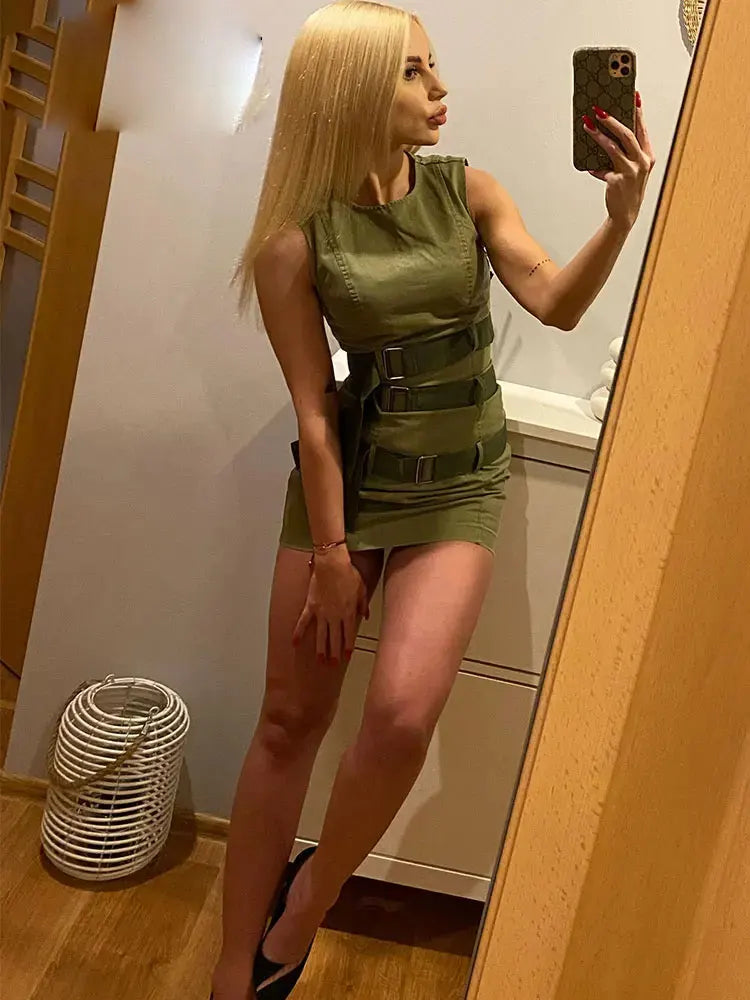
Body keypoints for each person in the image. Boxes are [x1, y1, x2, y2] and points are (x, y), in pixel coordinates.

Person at [211, 2, 655, 997]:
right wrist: (334, 556)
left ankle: (307, 901)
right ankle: (234, 968)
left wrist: (620, 219)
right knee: (288, 719)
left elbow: (555, 300)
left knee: (404, 716)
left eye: (433, 66)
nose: (440, 88)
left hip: (458, 477)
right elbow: (315, 412)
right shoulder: (295, 242)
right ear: (353, 90)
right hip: (348, 476)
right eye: (414, 71)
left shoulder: (467, 192)